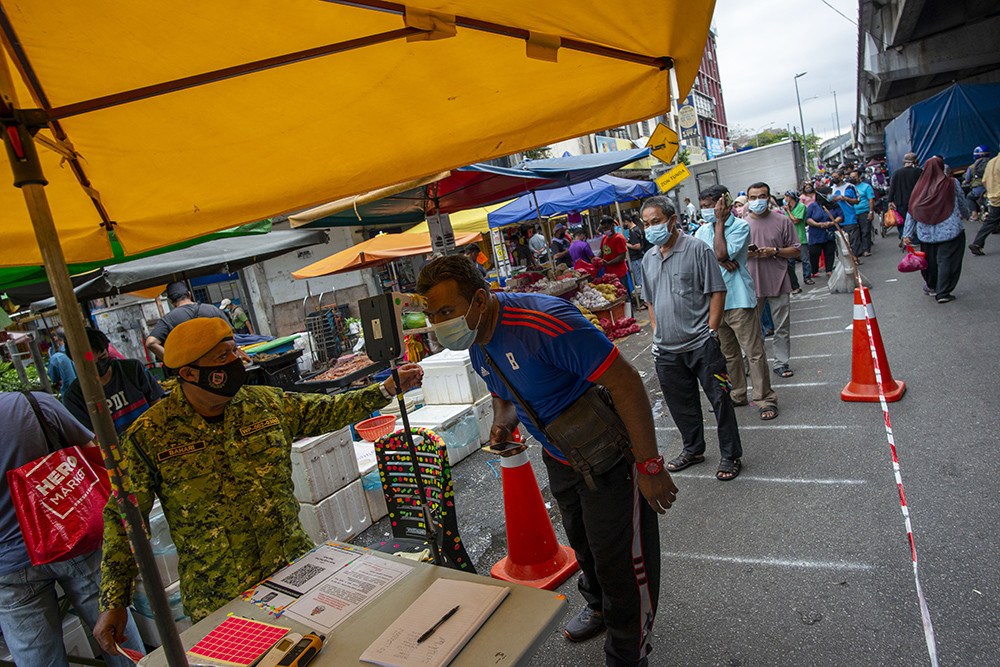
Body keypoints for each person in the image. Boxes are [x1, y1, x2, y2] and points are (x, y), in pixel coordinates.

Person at [94, 317, 423, 654]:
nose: (237, 362)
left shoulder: (264, 404)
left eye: (235, 352)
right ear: (189, 373)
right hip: (219, 597)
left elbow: (329, 410)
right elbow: (124, 520)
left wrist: (385, 388)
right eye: (223, 358)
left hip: (294, 573)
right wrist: (114, 599)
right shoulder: (149, 435)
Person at [416, 255, 674, 667]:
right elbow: (502, 388)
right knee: (585, 547)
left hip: (609, 456)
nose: (437, 323)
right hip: (560, 455)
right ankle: (598, 607)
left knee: (622, 563)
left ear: (479, 300)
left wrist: (649, 466)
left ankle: (628, 650)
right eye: (431, 314)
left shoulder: (547, 323)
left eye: (446, 311)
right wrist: (503, 419)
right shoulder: (478, 340)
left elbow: (626, 382)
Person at [0, 391, 144, 667]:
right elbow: (92, 449)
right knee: (116, 633)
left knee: (35, 656)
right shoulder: (31, 403)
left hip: (8, 566)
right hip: (72, 535)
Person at [640, 195, 743, 481]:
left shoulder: (698, 249)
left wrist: (711, 331)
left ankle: (730, 455)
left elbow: (717, 291)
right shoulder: (648, 259)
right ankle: (693, 449)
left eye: (656, 222)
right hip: (667, 350)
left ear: (673, 220)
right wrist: (656, 332)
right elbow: (649, 301)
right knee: (680, 405)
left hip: (701, 344)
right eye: (646, 224)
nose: (651, 229)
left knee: (720, 401)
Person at [694, 185, 778, 421]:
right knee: (728, 354)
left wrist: (720, 225)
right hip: (715, 302)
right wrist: (719, 259)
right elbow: (703, 262)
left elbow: (720, 255)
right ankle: (738, 394)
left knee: (754, 352)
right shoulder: (701, 232)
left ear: (725, 205)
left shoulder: (740, 226)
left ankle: (765, 398)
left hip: (739, 298)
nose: (707, 211)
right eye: (704, 207)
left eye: (711, 207)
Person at [744, 182, 801, 379]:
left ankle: (781, 362)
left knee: (781, 326)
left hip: (779, 280)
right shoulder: (741, 224)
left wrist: (775, 251)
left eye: (762, 196)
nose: (758, 201)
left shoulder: (782, 221)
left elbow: (796, 249)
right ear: (748, 200)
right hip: (750, 284)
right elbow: (730, 255)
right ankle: (750, 364)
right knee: (749, 330)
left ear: (769, 198)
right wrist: (747, 254)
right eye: (753, 197)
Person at [63, 328, 164, 435]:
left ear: (107, 351)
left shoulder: (132, 369)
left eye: (102, 357)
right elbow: (93, 437)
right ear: (75, 361)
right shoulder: (74, 396)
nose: (98, 365)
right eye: (90, 363)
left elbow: (157, 407)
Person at [901, 156, 969, 304]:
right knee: (947, 261)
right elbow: (961, 201)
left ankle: (932, 286)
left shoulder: (919, 187)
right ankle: (943, 291)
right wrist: (966, 214)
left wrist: (907, 234)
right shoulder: (951, 183)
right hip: (949, 231)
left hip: (925, 234)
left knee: (930, 262)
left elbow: (912, 211)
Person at [145, 282, 230, 360]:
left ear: (170, 300)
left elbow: (151, 343)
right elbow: (231, 334)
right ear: (189, 294)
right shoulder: (212, 309)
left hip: (193, 370)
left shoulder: (168, 319)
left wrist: (172, 362)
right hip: (220, 361)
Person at [969, 154, 1000, 255]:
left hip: (994, 197)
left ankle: (977, 243)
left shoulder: (991, 162)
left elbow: (984, 180)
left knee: (991, 221)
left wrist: (991, 192)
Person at [888, 152, 923, 243]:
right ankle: (917, 238)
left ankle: (904, 236)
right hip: (916, 201)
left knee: (902, 221)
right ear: (915, 161)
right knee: (917, 220)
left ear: (903, 161)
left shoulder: (896, 173)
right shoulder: (918, 172)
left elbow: (892, 188)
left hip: (901, 201)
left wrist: (890, 200)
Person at [805, 193, 839, 278]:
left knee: (830, 252)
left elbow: (840, 216)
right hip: (816, 234)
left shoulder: (833, 205)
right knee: (814, 253)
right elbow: (808, 218)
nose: (830, 195)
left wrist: (832, 223)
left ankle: (829, 269)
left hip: (829, 232)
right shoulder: (812, 206)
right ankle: (814, 270)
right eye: (828, 194)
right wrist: (818, 224)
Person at [829, 170, 862, 260]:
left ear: (841, 176)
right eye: (832, 177)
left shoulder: (850, 187)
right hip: (837, 219)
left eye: (836, 177)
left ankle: (855, 257)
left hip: (849, 218)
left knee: (853, 239)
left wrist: (845, 198)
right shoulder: (831, 188)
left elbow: (857, 200)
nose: (834, 179)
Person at [784, 190, 813, 286]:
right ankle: (793, 282)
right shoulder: (786, 208)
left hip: (800, 236)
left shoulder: (801, 207)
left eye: (785, 197)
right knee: (791, 262)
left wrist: (788, 211)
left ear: (790, 197)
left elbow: (796, 220)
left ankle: (807, 277)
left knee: (805, 259)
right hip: (789, 239)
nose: (784, 200)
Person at [850, 169, 877, 257]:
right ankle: (859, 250)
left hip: (864, 212)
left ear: (859, 177)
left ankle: (866, 249)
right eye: (851, 177)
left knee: (865, 231)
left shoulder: (866, 187)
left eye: (854, 177)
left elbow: (871, 200)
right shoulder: (850, 188)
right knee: (856, 233)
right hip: (853, 213)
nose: (853, 179)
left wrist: (871, 212)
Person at [46, 328, 77, 401]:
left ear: (56, 338)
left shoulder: (56, 358)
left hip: (70, 396)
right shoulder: (79, 350)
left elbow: (54, 378)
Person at [963, 145, 991, 221]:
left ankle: (974, 215)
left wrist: (965, 181)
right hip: (991, 188)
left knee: (969, 197)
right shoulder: (992, 163)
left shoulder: (972, 167)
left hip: (978, 190)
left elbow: (967, 179)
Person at [598, 216, 629, 281]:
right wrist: (596, 259)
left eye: (606, 228)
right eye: (603, 229)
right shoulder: (604, 238)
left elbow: (622, 256)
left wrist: (609, 263)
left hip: (619, 274)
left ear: (612, 225)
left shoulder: (618, 238)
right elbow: (602, 251)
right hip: (608, 273)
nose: (605, 230)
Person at [625, 215, 648, 295]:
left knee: (640, 281)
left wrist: (627, 244)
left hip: (636, 259)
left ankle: (645, 301)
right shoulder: (637, 229)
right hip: (640, 257)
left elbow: (637, 246)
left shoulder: (633, 231)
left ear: (626, 222)